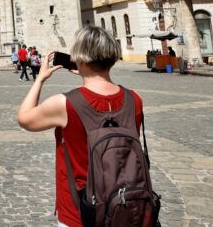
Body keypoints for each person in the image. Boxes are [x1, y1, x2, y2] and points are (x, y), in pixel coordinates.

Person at [17, 26, 144, 227]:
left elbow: (24, 118)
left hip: (79, 210)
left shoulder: (66, 103)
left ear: (80, 59)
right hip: (125, 206)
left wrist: (40, 79)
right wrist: (90, 75)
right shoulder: (134, 99)